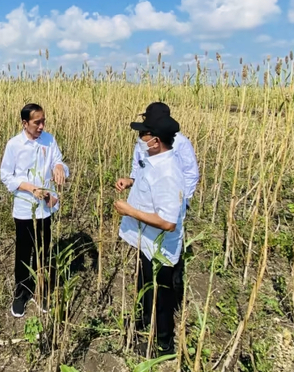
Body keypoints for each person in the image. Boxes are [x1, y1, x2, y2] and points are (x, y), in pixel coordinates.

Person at [113, 108, 187, 356]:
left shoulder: (169, 173)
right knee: (145, 284)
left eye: (144, 134)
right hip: (147, 241)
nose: (140, 139)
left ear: (155, 141)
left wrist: (130, 211)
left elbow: (168, 222)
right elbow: (146, 185)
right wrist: (130, 182)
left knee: (163, 298)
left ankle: (164, 344)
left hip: (161, 246)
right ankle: (144, 322)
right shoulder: (154, 160)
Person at [0, 103, 69, 318]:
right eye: (37, 122)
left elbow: (59, 162)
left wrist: (59, 168)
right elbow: (6, 176)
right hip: (24, 207)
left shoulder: (49, 139)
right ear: (24, 123)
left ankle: (42, 290)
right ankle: (21, 292)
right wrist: (30, 188)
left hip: (45, 209)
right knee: (23, 252)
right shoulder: (14, 145)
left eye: (43, 121)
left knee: (44, 251)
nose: (41, 126)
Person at [127, 102, 199, 210]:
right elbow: (138, 165)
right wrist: (131, 180)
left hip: (168, 202)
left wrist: (182, 200)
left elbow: (191, 173)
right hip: (143, 201)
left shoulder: (180, 143)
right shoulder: (144, 140)